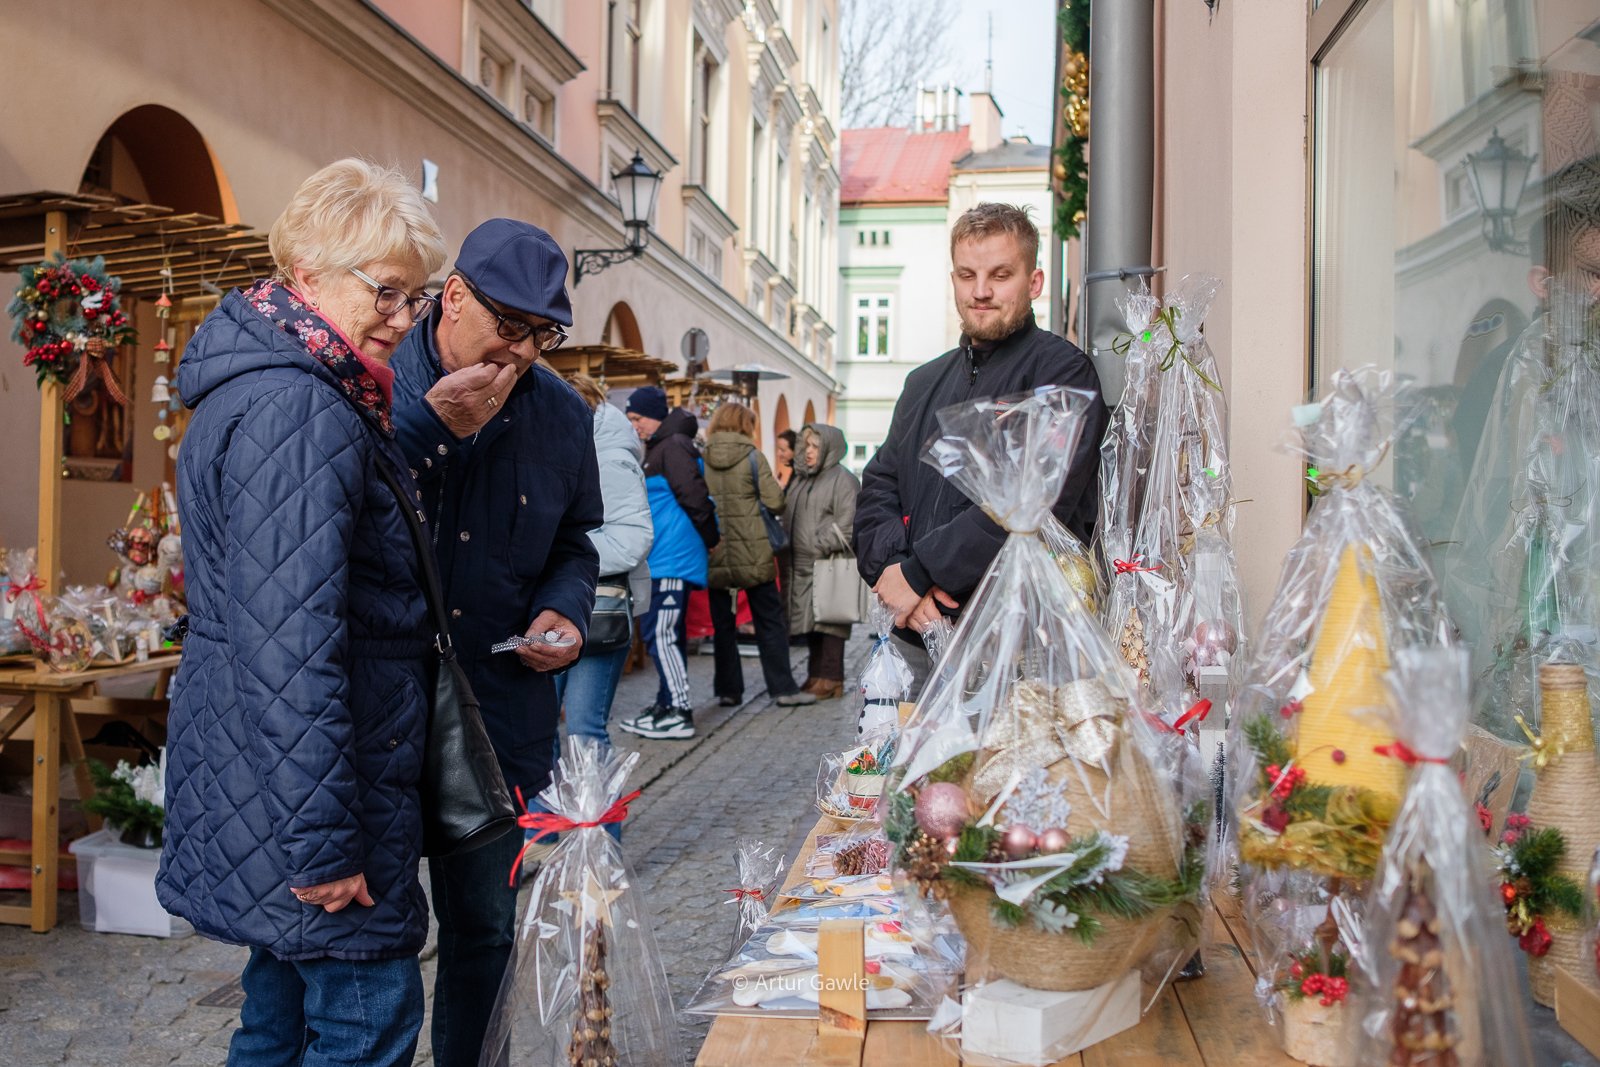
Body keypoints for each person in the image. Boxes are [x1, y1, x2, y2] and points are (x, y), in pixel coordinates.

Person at [158, 159, 448, 1067]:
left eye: (416, 297)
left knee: (277, 1020)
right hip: (318, 792)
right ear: (311, 271)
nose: (402, 318)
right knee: (367, 1019)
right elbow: (293, 648)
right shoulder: (301, 406)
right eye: (387, 291)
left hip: (276, 785)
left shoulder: (282, 382)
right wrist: (325, 844)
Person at [389, 219, 603, 1067]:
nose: (519, 349)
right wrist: (430, 427)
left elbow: (575, 541)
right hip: (386, 711)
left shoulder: (559, 414)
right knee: (374, 939)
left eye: (541, 333)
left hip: (497, 712)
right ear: (453, 296)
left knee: (484, 928)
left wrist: (565, 609)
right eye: (507, 324)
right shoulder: (379, 383)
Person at [854, 202, 1108, 686]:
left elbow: (1034, 499)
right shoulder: (923, 383)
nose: (981, 291)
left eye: (1000, 275)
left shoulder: (1061, 374)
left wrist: (922, 572)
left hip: (1020, 649)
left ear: (1034, 282)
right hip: (918, 640)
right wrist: (895, 572)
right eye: (967, 275)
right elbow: (878, 487)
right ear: (953, 279)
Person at [555, 374, 654, 778]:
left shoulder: (608, 456)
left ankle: (596, 820)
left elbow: (634, 538)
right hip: (553, 606)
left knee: (584, 731)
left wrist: (562, 555)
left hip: (596, 608)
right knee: (538, 731)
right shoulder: (569, 449)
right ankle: (547, 818)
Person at [616, 386, 720, 740]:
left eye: (638, 419)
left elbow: (694, 495)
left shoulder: (673, 445)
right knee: (663, 634)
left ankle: (678, 710)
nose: (635, 426)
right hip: (663, 556)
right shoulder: (664, 444)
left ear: (654, 415)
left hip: (673, 556)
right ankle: (665, 704)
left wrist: (711, 538)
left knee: (661, 634)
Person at [700, 402, 817, 708]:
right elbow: (776, 502)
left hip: (716, 551)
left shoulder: (702, 456)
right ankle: (783, 689)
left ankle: (728, 690)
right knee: (769, 622)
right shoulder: (753, 456)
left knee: (723, 625)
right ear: (745, 425)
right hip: (754, 551)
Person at [784, 423, 862, 698]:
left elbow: (849, 524)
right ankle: (816, 675)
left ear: (828, 448)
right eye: (806, 445)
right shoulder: (802, 479)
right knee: (811, 623)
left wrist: (817, 546)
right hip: (803, 565)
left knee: (830, 621)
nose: (808, 452)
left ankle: (831, 678)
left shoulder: (843, 480)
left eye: (815, 446)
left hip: (828, 563)